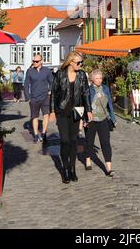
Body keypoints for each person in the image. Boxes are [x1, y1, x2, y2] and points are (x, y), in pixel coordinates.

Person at [49, 52, 92, 184]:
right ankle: (65, 169)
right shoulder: (60, 74)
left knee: (74, 141)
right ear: (71, 62)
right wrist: (51, 111)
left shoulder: (82, 75)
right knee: (65, 140)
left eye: (81, 62)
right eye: (78, 62)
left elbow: (86, 93)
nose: (81, 65)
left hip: (77, 111)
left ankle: (72, 169)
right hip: (62, 111)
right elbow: (53, 93)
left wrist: (88, 110)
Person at [85, 69, 116, 177]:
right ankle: (88, 159)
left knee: (106, 143)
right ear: (92, 79)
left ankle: (108, 167)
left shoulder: (106, 88)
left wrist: (112, 117)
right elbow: (85, 105)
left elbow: (110, 104)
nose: (99, 80)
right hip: (92, 120)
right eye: (97, 78)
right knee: (89, 142)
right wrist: (85, 120)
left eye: (100, 78)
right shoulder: (88, 90)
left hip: (103, 119)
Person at [24, 54, 53, 144]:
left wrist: (50, 91)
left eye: (36, 61)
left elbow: (52, 82)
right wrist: (28, 98)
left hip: (45, 97)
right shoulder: (29, 71)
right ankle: (36, 135)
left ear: (41, 61)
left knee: (46, 115)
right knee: (35, 117)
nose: (34, 63)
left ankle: (44, 133)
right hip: (34, 98)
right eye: (33, 61)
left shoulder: (47, 71)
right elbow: (26, 84)